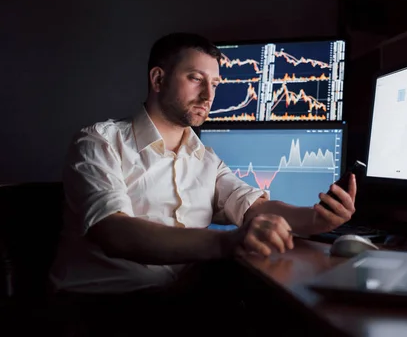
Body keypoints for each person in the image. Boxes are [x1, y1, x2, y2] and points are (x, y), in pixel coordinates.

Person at [49, 32, 357, 296]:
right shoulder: (99, 142)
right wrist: (228, 242)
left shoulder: (206, 158)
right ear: (158, 79)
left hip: (183, 299)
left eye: (215, 83)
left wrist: (317, 220)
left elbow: (252, 207)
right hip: (102, 307)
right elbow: (115, 233)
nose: (209, 95)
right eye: (196, 79)